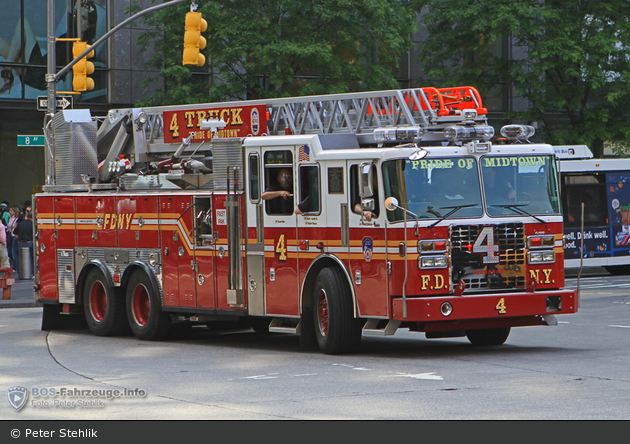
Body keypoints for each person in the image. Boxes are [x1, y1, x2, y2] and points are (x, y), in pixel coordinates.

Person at [17, 209, 33, 279]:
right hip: (29, 242)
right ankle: (31, 273)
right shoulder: (32, 224)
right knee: (31, 259)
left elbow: (15, 232)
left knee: (20, 258)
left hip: (21, 243)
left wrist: (19, 239)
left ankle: (20, 273)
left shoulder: (21, 223)